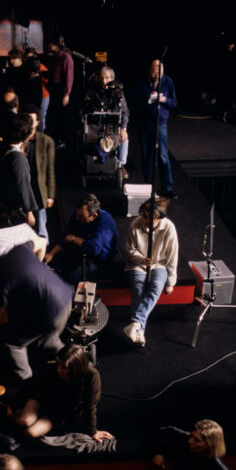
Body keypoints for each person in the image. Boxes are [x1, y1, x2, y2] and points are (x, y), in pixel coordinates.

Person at [0, 243, 73, 380]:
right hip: (65, 299)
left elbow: (2, 319)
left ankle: (26, 379)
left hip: (49, 312)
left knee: (11, 341)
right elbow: (38, 243)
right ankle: (79, 365)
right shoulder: (19, 250)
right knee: (47, 339)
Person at [10, 344, 113, 441]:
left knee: (30, 433)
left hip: (55, 415)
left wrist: (92, 431)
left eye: (63, 367)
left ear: (74, 368)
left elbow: (90, 406)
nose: (58, 369)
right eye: (58, 364)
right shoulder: (53, 368)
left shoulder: (91, 376)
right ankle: (12, 414)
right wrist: (13, 404)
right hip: (40, 400)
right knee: (24, 421)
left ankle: (11, 425)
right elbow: (32, 387)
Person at [122, 196, 178, 346]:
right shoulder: (135, 224)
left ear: (158, 217)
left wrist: (170, 282)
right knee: (138, 290)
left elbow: (173, 256)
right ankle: (139, 331)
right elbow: (129, 250)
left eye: (149, 218)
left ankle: (135, 324)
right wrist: (141, 259)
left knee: (155, 288)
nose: (145, 220)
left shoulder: (168, 228)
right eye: (144, 216)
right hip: (137, 264)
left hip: (160, 264)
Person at [44, 193, 119, 285]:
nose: (77, 218)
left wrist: (73, 238)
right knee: (54, 264)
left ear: (94, 216)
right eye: (77, 214)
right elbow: (67, 235)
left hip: (100, 260)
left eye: (81, 216)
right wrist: (51, 254)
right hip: (83, 249)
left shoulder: (105, 222)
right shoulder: (79, 214)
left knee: (70, 278)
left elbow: (94, 249)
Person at [137, 59, 178, 199]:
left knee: (163, 156)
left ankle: (167, 187)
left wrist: (164, 99)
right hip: (144, 123)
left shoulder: (167, 81)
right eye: (154, 72)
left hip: (160, 123)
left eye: (159, 72)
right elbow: (135, 102)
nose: (157, 76)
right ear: (150, 71)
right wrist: (147, 99)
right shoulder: (142, 82)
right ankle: (149, 187)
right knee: (146, 156)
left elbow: (174, 102)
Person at [0, 113, 39, 228]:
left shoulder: (2, 148)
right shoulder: (18, 158)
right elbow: (22, 184)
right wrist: (29, 211)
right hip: (14, 211)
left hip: (2, 206)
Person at [85, 66, 130, 179]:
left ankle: (122, 165)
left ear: (112, 79)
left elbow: (125, 112)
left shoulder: (118, 92)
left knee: (124, 139)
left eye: (107, 78)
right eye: (102, 78)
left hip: (112, 125)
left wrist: (124, 129)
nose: (104, 81)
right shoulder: (93, 90)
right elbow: (83, 107)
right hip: (95, 125)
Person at [22, 103, 56, 242]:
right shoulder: (18, 139)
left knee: (41, 228)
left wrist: (50, 195)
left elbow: (50, 169)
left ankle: (42, 258)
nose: (29, 124)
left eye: (32, 120)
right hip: (23, 191)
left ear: (37, 122)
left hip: (38, 190)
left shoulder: (46, 141)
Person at [45, 36, 73, 146]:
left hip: (61, 91)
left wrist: (66, 94)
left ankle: (62, 140)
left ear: (56, 44)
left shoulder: (66, 57)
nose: (48, 45)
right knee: (55, 116)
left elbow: (69, 77)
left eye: (50, 43)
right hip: (54, 90)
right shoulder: (56, 57)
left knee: (61, 117)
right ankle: (57, 139)